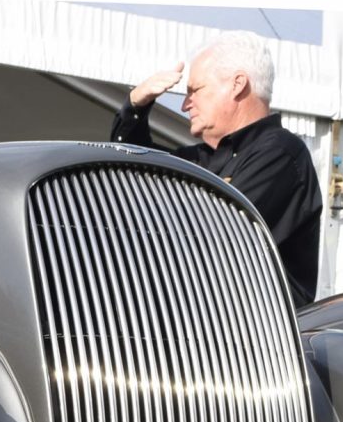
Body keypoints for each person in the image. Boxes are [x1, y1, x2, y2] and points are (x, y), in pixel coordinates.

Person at [112, 31, 323, 306]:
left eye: (194, 90)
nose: (186, 104)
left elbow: (212, 230)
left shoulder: (280, 153)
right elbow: (131, 170)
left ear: (237, 84)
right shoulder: (202, 159)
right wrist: (136, 104)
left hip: (254, 341)